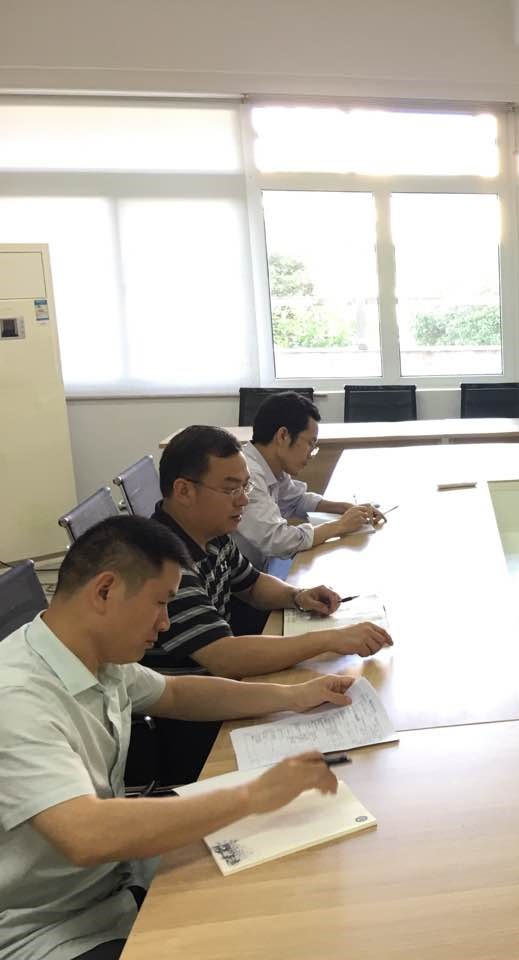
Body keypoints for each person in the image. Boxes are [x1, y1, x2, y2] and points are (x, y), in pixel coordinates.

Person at [0, 515, 357, 960]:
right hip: (48, 927)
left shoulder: (95, 655)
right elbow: (85, 834)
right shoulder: (17, 697)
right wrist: (251, 795)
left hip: (118, 878)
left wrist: (294, 695)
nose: (166, 623)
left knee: (291, 892)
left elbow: (176, 693)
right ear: (105, 591)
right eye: (159, 603)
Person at [147, 424, 393, 680]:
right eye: (231, 489)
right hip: (194, 696)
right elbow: (225, 659)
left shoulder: (210, 532)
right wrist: (330, 639)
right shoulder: (163, 564)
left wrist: (298, 596)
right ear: (184, 491)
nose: (243, 500)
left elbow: (252, 585)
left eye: (246, 487)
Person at [231, 391, 385, 570]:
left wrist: (345, 507)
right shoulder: (248, 475)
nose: (311, 454)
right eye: (310, 443)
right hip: (241, 581)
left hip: (259, 569)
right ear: (283, 436)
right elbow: (278, 541)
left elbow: (297, 500)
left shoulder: (272, 466)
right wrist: (340, 526)